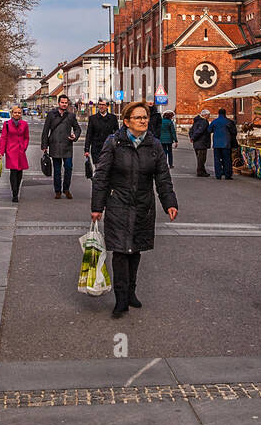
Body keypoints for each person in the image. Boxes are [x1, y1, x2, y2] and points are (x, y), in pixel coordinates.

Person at [91, 100, 178, 318]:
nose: (143, 121)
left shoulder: (154, 145)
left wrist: (169, 202)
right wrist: (97, 206)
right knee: (121, 251)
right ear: (127, 121)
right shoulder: (114, 143)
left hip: (143, 205)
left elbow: (163, 177)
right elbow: (101, 176)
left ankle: (131, 292)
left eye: (145, 117)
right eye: (138, 117)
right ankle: (121, 299)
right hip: (118, 203)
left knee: (135, 249)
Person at [41, 94, 81, 200]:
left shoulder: (71, 116)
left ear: (68, 104)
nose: (64, 104)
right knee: (57, 170)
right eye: (62, 102)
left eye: (66, 103)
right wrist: (44, 146)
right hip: (55, 146)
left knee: (68, 168)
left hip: (67, 146)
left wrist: (75, 136)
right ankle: (57, 191)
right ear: (58, 103)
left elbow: (78, 129)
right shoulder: (51, 114)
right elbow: (45, 131)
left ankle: (66, 189)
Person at [0, 105, 29, 202]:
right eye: (15, 112)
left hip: (21, 151)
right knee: (13, 172)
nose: (17, 114)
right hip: (11, 151)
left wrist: (24, 147)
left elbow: (26, 137)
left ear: (21, 114)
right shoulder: (7, 124)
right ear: (12, 113)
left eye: (19, 113)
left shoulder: (24, 124)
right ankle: (14, 193)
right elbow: (3, 138)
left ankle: (17, 189)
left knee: (20, 172)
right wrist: (1, 152)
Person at [84, 99, 118, 169]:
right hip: (96, 149)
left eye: (103, 105)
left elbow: (117, 133)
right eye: (100, 104)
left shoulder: (113, 118)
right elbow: (89, 134)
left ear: (107, 106)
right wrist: (86, 149)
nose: (101, 107)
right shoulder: (93, 118)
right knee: (99, 169)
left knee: (108, 169)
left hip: (109, 148)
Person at [210, 108, 236, 180]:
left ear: (218, 113)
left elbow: (209, 130)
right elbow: (234, 132)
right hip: (226, 144)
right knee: (227, 159)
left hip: (216, 144)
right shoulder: (228, 122)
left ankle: (218, 175)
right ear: (225, 113)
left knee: (217, 160)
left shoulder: (214, 121)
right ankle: (227, 175)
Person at [189, 107, 212, 177]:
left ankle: (203, 170)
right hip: (202, 142)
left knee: (199, 158)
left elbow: (191, 130)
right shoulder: (204, 122)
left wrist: (192, 137)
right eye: (208, 115)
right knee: (201, 158)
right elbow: (200, 131)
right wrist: (193, 137)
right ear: (205, 115)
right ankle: (200, 172)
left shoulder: (196, 121)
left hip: (196, 143)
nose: (209, 116)